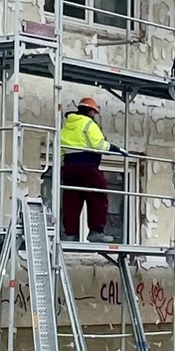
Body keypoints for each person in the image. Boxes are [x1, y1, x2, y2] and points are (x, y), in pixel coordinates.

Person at [58, 96, 111, 242]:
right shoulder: (89, 123)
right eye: (94, 112)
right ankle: (96, 232)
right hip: (87, 166)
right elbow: (99, 145)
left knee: (72, 200)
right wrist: (115, 149)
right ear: (90, 111)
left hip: (69, 168)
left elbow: (60, 149)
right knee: (98, 194)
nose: (94, 115)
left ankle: (70, 234)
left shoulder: (67, 126)